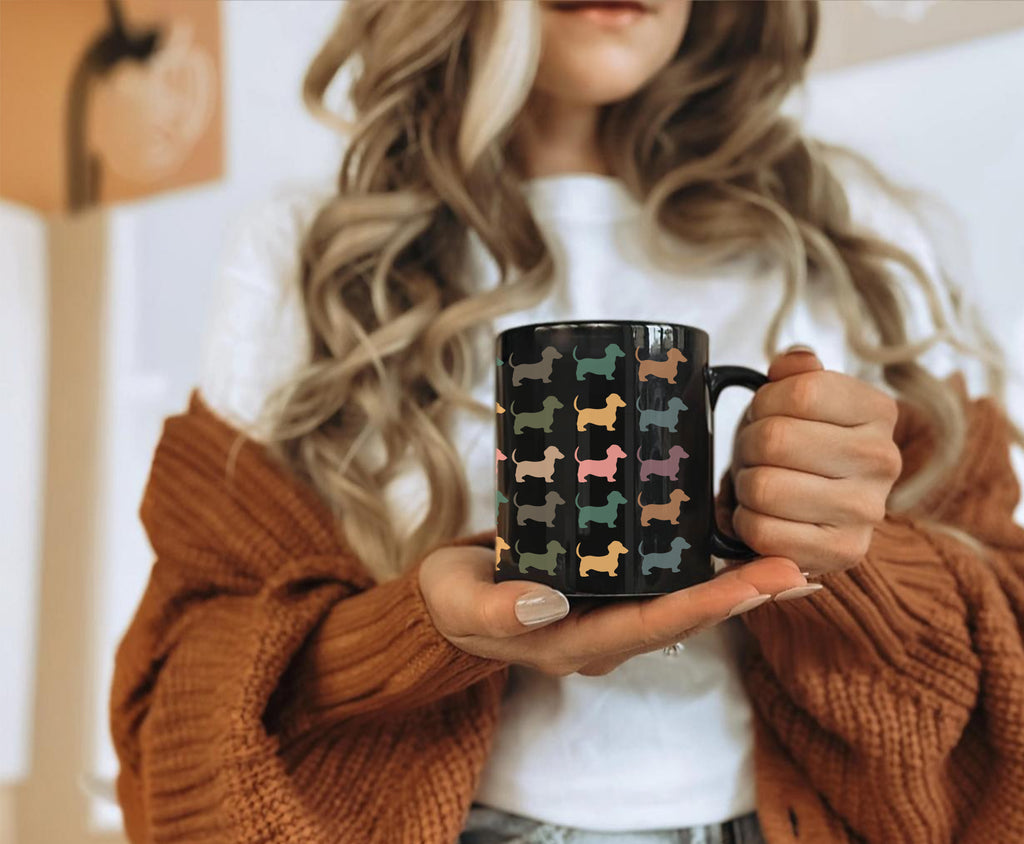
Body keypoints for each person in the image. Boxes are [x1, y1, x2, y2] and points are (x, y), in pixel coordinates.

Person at [109, 1, 1024, 843]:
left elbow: (1003, 656)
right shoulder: (314, 256)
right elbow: (183, 686)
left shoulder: (849, 233)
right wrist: (415, 633)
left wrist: (846, 561)